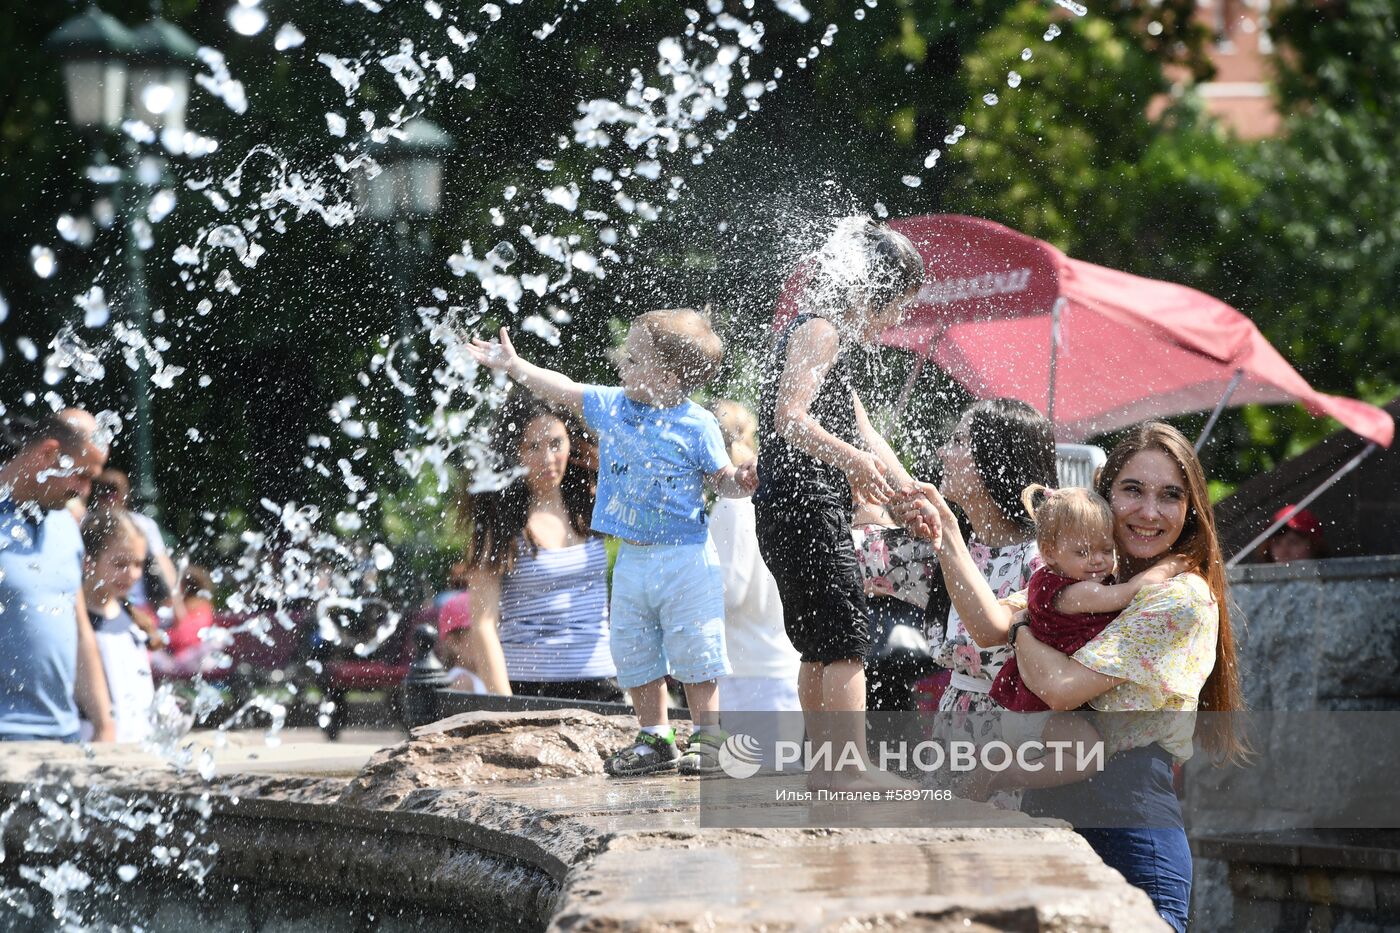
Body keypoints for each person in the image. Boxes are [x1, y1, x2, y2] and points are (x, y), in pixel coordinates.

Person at [898, 422, 1245, 932]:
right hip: (1048, 817)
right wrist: (947, 533)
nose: (1150, 512)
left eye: (1170, 495)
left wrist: (1024, 627)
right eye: (1133, 490)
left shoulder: (1180, 597)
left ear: (1191, 508)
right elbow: (988, 626)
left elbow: (1060, 689)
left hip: (1131, 834)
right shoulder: (1086, 579)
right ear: (1105, 496)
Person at [469, 312, 757, 776]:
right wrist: (516, 366)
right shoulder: (613, 406)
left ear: (666, 378)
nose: (621, 363)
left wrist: (738, 483)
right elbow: (562, 388)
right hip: (633, 558)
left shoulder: (698, 424)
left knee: (697, 648)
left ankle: (708, 737)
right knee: (634, 647)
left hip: (685, 557)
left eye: (634, 358)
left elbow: (720, 478)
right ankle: (655, 737)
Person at [752, 216, 925, 788]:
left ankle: (825, 767)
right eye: (898, 304)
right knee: (847, 638)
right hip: (806, 504)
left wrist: (909, 492)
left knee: (818, 644)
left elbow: (866, 434)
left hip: (788, 505)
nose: (898, 319)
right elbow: (790, 418)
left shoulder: (828, 338)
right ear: (873, 290)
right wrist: (851, 462)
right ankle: (848, 766)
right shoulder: (821, 330)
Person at [458, 391, 614, 700]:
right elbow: (483, 624)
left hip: (601, 682)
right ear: (513, 452)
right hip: (531, 687)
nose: (547, 459)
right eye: (533, 447)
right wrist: (506, 707)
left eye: (556, 443)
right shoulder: (499, 523)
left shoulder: (592, 507)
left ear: (571, 443)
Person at [924, 399, 1057, 728]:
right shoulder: (955, 545)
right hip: (954, 724)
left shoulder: (1042, 560)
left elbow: (993, 632)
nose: (943, 452)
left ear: (997, 457)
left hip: (1011, 734)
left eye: (958, 441)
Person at [0, 411, 115, 742]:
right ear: (49, 453)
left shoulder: (66, 526)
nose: (84, 490)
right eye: (81, 475)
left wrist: (104, 725)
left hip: (65, 735)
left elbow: (79, 630)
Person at [708, 400, 802, 718]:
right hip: (781, 667)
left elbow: (729, 592)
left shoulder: (731, 507)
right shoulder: (770, 497)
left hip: (748, 675)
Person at [80, 507, 157, 743]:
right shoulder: (78, 622)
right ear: (88, 561)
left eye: (138, 564)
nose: (132, 574)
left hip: (139, 745)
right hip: (93, 743)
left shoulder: (133, 620)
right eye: (120, 564)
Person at [90, 469, 186, 625]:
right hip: (109, 606)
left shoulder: (141, 525)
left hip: (131, 608)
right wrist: (178, 606)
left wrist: (177, 605)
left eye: (113, 493)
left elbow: (164, 565)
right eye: (104, 493)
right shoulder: (88, 525)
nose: (109, 499)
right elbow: (165, 566)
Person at [151, 566, 219, 679]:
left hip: (191, 656)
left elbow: (187, 637)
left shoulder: (201, 607)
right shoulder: (176, 604)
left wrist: (178, 608)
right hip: (176, 657)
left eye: (178, 583)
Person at [1260, 504, 1329, 562]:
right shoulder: (1260, 574)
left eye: (1293, 542)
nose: (1283, 552)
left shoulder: (1332, 572)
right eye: (1277, 543)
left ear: (1314, 546)